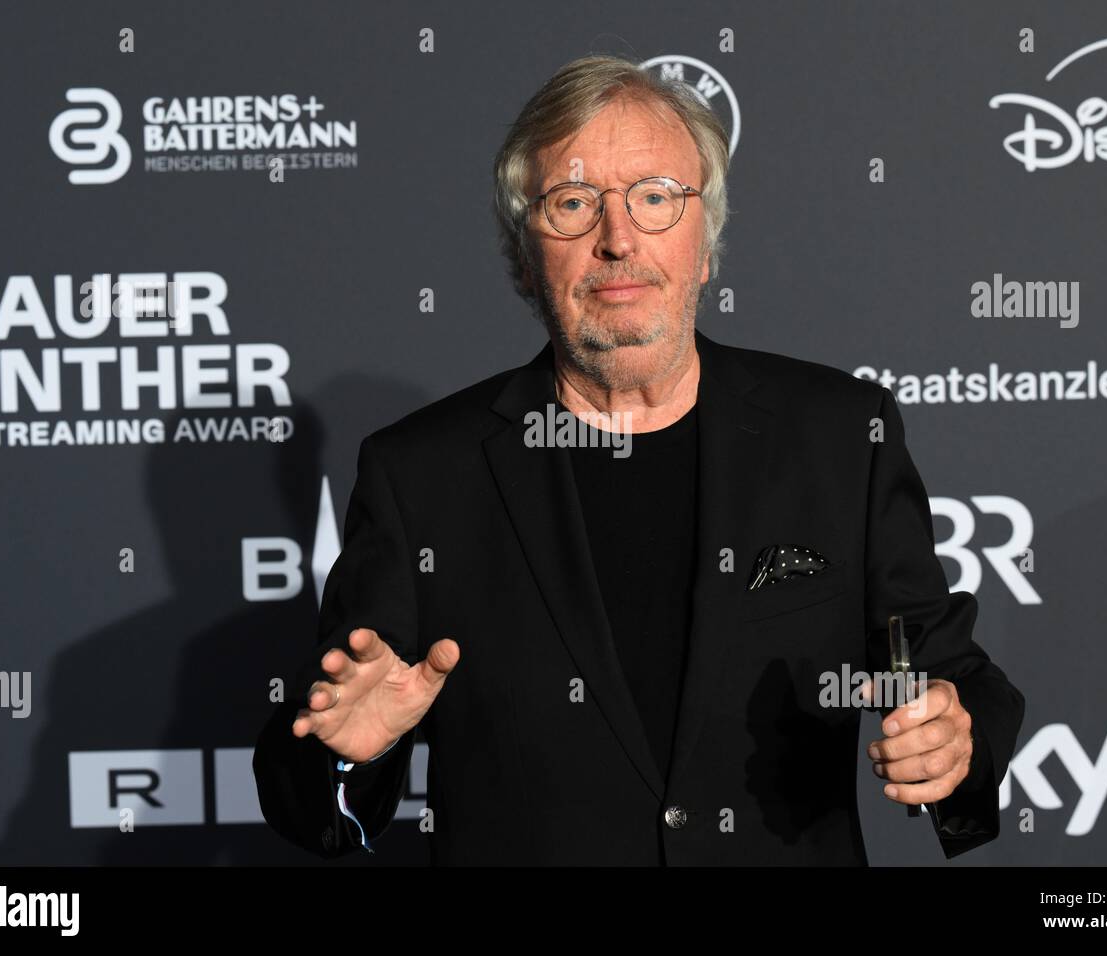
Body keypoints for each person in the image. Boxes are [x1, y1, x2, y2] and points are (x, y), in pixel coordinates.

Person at [252, 54, 1025, 865]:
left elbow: (950, 675)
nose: (618, 240)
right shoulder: (422, 478)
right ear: (525, 257)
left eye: (655, 198)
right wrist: (349, 753)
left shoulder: (838, 436)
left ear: (705, 241)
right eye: (572, 204)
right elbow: (311, 790)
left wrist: (954, 738)